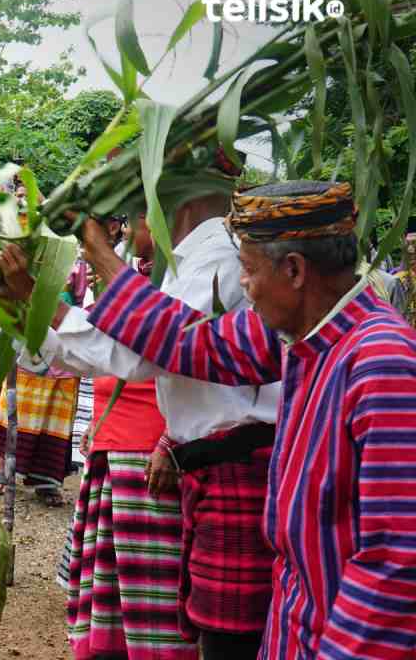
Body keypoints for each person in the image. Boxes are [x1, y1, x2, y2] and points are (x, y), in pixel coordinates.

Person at [65, 181, 416, 660]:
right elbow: (187, 340)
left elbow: (395, 562)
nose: (242, 286)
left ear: (294, 270)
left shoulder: (381, 364)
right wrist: (85, 266)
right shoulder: (297, 338)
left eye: (248, 270)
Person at [2, 175, 282, 656]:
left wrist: (90, 253)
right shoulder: (186, 259)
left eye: (138, 207)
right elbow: (126, 344)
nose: (132, 224)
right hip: (200, 465)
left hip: (229, 465)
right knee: (199, 630)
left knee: (224, 640)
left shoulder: (218, 255)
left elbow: (146, 348)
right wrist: (29, 297)